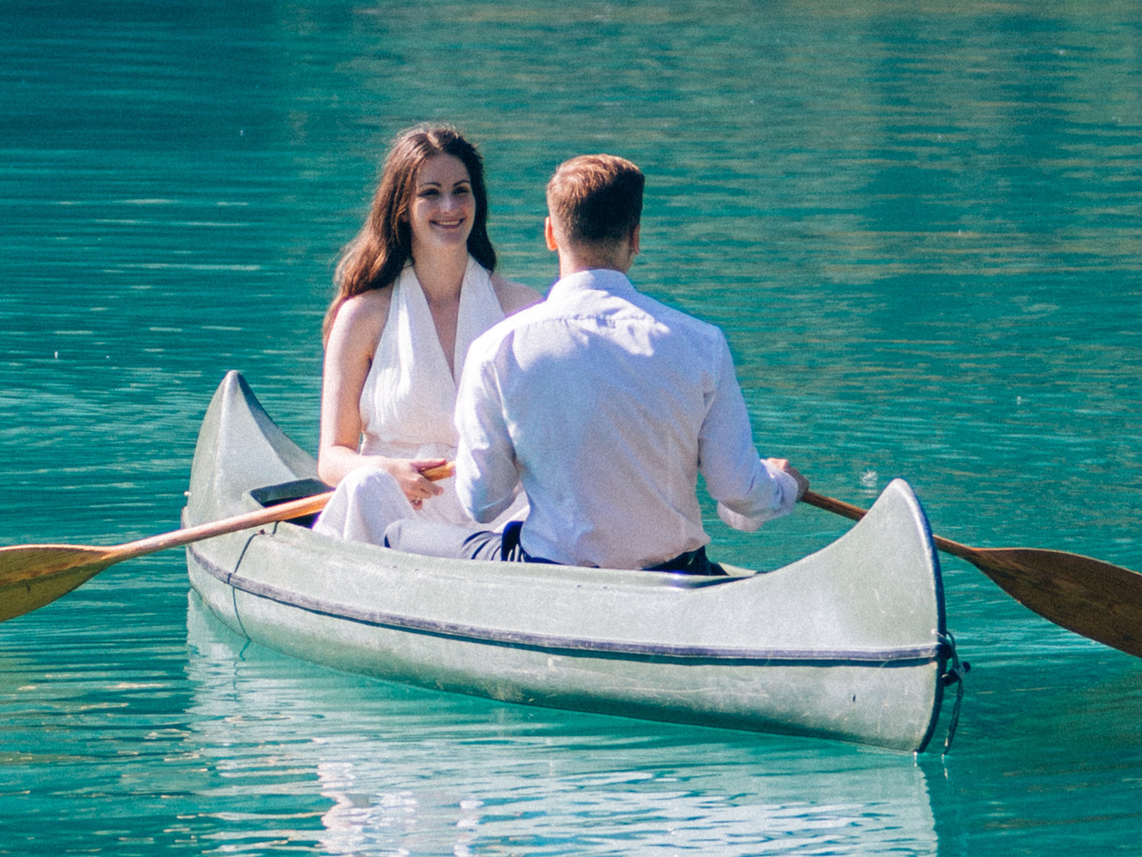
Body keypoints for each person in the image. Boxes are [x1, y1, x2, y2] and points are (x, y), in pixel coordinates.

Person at [452, 154, 802, 572]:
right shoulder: (701, 342)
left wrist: (519, 452)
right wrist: (785, 485)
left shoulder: (497, 349)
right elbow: (737, 490)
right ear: (635, 237)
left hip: (550, 576)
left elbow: (481, 503)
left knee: (401, 535)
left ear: (550, 234)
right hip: (676, 572)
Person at [316, 125, 545, 553]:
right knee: (365, 482)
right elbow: (332, 457)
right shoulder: (362, 315)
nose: (449, 206)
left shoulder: (523, 309)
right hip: (394, 512)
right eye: (430, 193)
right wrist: (388, 469)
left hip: (494, 519)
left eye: (461, 191)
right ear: (402, 208)